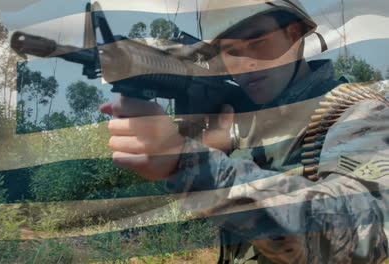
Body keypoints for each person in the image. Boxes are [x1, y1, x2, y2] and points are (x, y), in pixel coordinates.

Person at [100, 0, 389, 263]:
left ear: (294, 33)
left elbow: (363, 237)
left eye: (258, 42)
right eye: (231, 51)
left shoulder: (357, 113)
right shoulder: (244, 127)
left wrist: (192, 164)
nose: (246, 63)